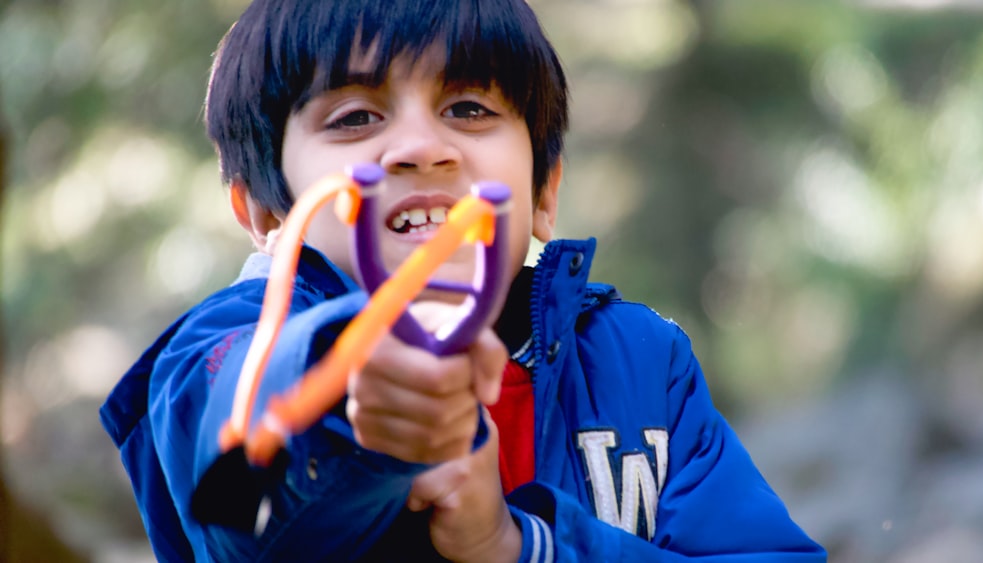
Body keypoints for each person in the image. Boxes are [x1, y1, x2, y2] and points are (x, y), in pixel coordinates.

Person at [100, 0, 827, 561]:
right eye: (355, 117)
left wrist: (517, 545)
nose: (421, 148)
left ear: (544, 193)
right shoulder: (221, 350)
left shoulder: (644, 365)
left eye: (469, 108)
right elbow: (231, 477)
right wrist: (349, 389)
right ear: (264, 210)